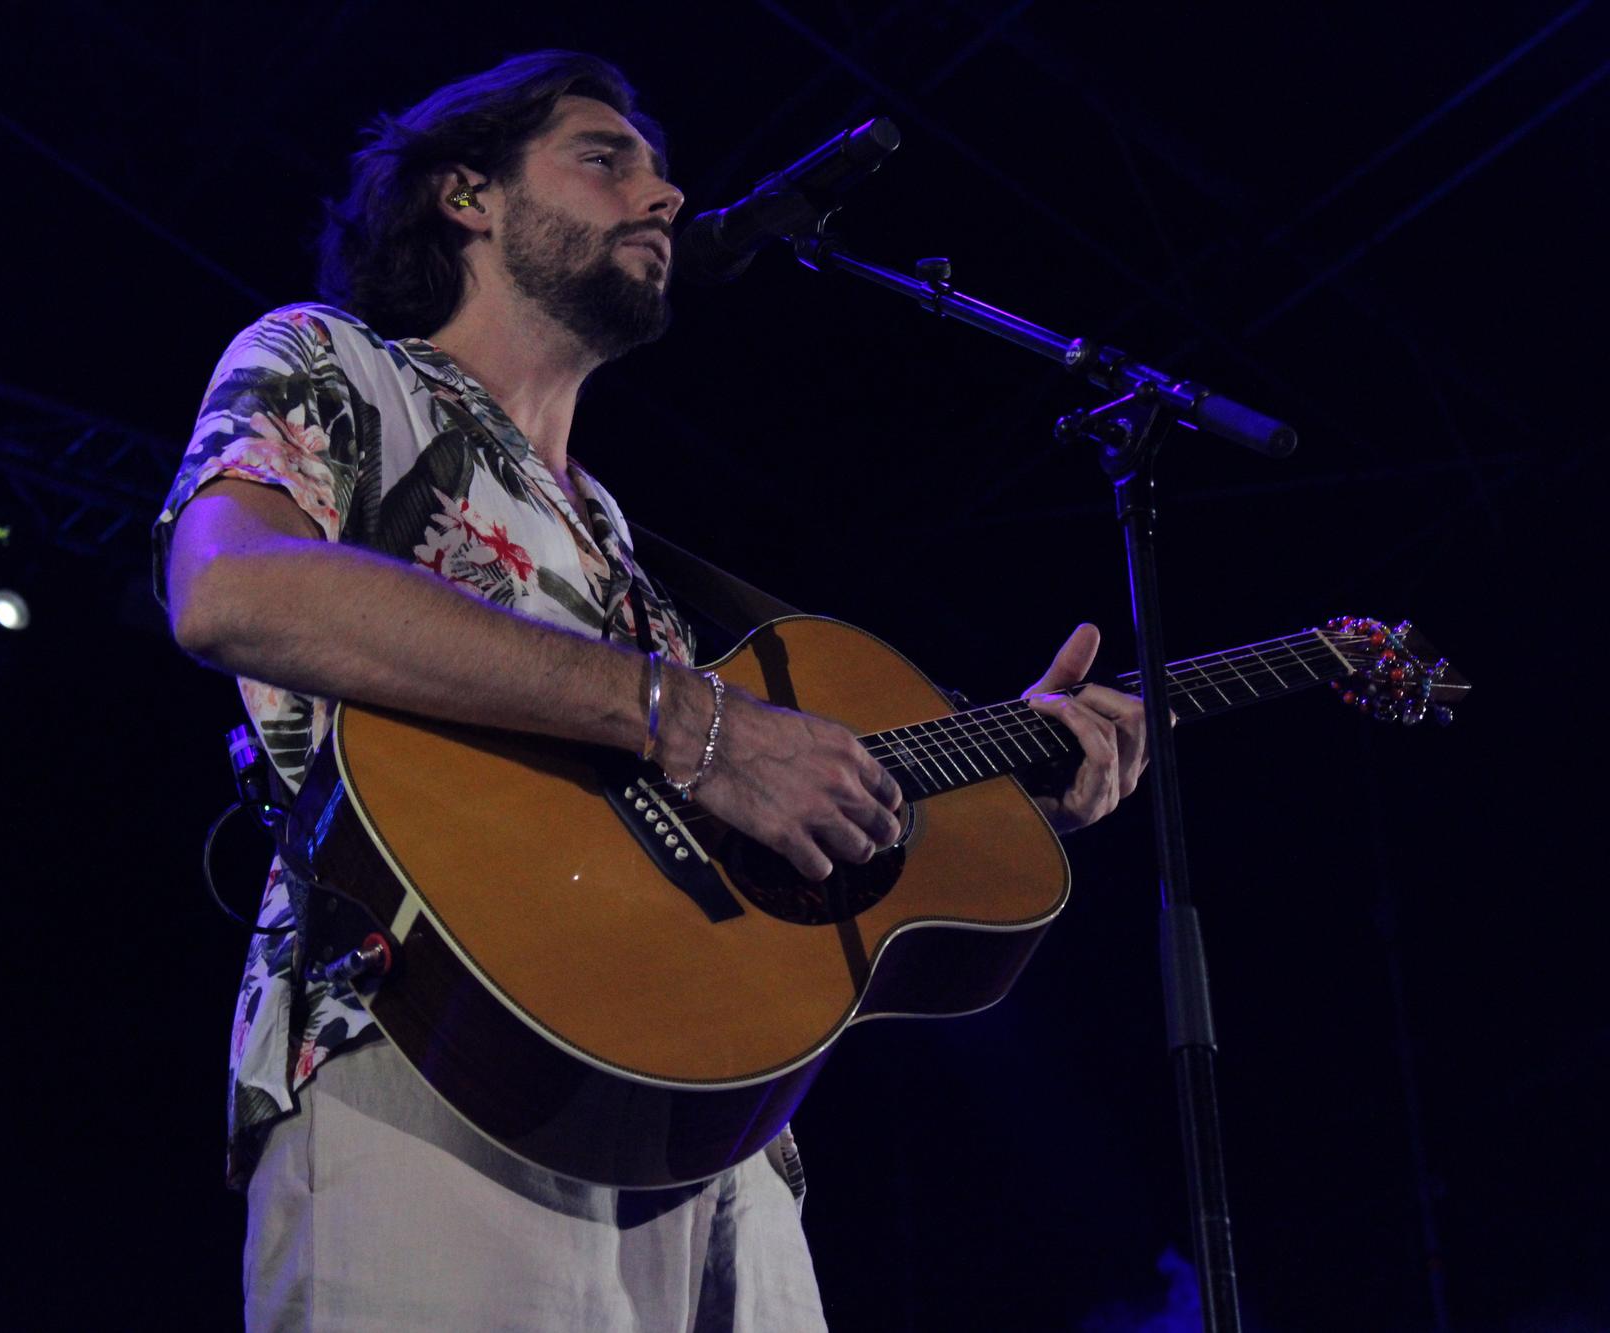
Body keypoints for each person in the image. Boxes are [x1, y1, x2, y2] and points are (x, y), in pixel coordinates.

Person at [154, 49, 1148, 1332]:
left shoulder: (623, 548)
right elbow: (234, 591)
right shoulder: (335, 364)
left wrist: (1006, 800)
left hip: (720, 1127)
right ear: (467, 194)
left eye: (661, 169)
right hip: (429, 1050)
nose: (665, 195)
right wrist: (697, 720)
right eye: (604, 157)